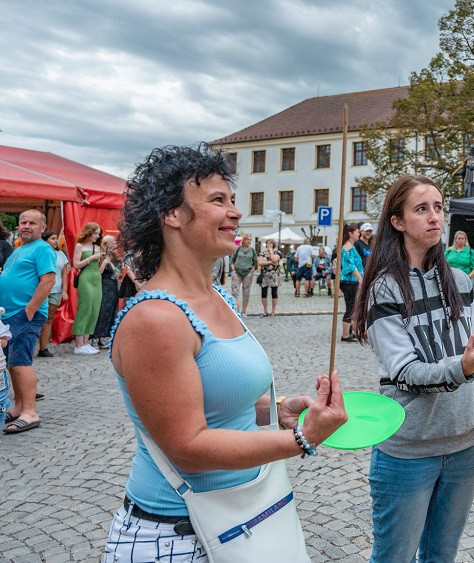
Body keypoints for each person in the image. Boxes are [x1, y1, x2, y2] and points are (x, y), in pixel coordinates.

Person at [102, 144, 347, 561]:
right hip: (175, 537)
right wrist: (300, 439)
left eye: (232, 200)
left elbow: (221, 403)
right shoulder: (156, 318)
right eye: (218, 201)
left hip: (242, 521)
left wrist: (279, 410)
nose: (235, 212)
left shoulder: (218, 296)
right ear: (172, 214)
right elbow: (189, 448)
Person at [353, 174, 474, 563]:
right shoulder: (384, 289)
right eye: (421, 209)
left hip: (465, 446)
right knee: (395, 557)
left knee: (442, 554)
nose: (434, 217)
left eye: (438, 207)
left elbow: (473, 356)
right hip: (409, 451)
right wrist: (463, 367)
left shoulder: (459, 281)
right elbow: (406, 372)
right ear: (398, 222)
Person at [0, 209, 56, 434]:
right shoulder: (20, 248)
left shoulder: (42, 249)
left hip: (24, 314)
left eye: (32, 223)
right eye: (23, 222)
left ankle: (30, 412)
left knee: (21, 361)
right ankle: (19, 406)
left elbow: (48, 281)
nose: (26, 226)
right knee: (12, 362)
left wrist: (29, 310)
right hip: (10, 314)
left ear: (42, 228)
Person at [71, 222, 104, 355]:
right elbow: (76, 264)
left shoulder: (97, 247)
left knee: (94, 309)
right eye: (95, 233)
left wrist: (104, 261)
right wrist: (91, 258)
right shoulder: (80, 246)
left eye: (98, 234)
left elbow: (99, 268)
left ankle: (86, 342)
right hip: (86, 278)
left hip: (97, 278)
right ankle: (79, 344)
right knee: (85, 308)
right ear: (89, 232)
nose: (97, 236)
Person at [37, 231, 70, 358]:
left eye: (56, 238)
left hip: (56, 290)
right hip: (42, 289)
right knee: (38, 317)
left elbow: (64, 274)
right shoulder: (41, 253)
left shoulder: (61, 254)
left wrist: (65, 290)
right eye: (53, 238)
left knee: (49, 318)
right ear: (45, 241)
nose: (56, 241)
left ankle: (43, 347)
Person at [91, 235, 122, 349]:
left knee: (111, 312)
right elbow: (98, 273)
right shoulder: (102, 257)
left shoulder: (116, 257)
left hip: (113, 286)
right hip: (104, 285)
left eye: (115, 242)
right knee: (102, 311)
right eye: (111, 242)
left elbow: (119, 274)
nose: (114, 245)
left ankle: (103, 337)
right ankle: (95, 337)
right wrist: (105, 262)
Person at [338, 224, 363, 343]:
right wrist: (360, 278)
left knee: (353, 307)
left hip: (352, 281)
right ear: (350, 234)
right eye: (357, 232)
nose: (359, 234)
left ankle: (350, 331)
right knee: (350, 306)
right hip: (349, 281)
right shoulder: (347, 247)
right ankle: (345, 335)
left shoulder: (351, 247)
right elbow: (350, 265)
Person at [230, 234, 257, 316]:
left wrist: (251, 270)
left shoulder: (252, 250)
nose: (249, 241)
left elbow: (255, 263)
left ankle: (243, 311)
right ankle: (234, 309)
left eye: (250, 240)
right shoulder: (238, 249)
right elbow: (232, 260)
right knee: (235, 291)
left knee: (246, 292)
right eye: (248, 239)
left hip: (247, 273)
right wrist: (233, 268)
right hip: (237, 272)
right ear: (244, 240)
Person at [258, 238, 282, 317]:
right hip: (265, 275)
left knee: (274, 293)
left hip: (274, 275)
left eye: (270, 243)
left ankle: (273, 311)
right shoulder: (262, 253)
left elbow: (275, 259)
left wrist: (271, 252)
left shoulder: (278, 253)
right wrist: (270, 262)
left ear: (273, 245)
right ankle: (265, 311)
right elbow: (260, 263)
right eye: (268, 243)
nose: (269, 245)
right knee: (264, 293)